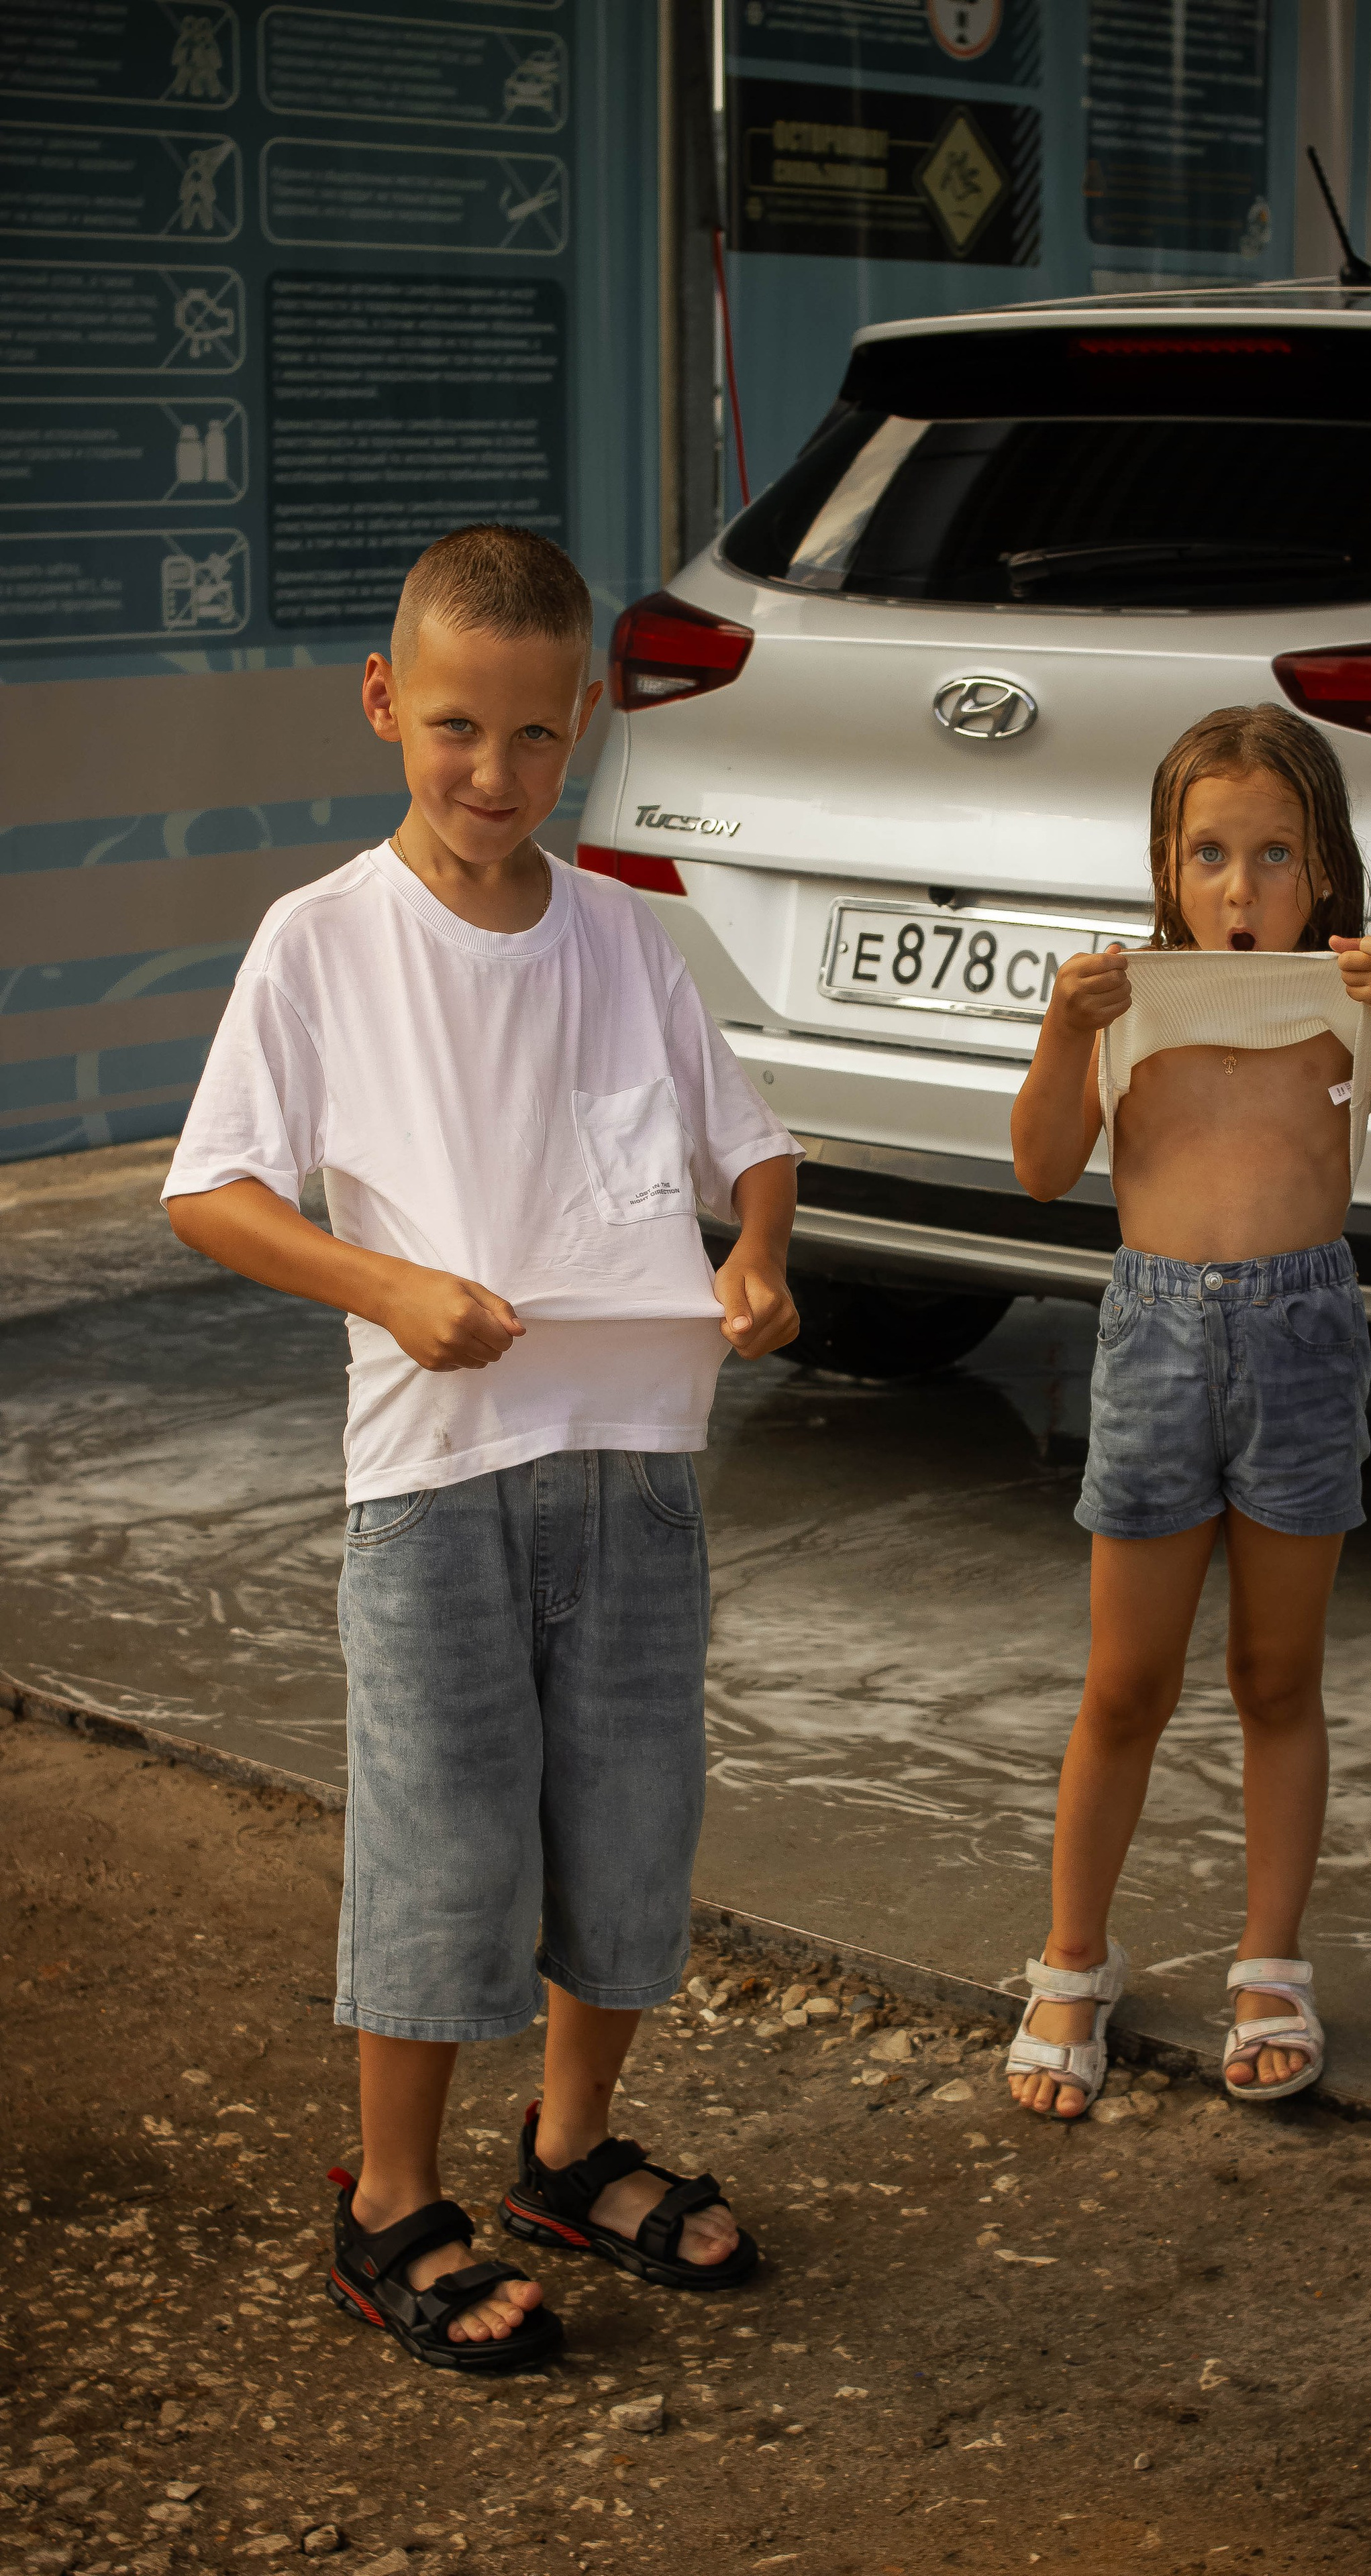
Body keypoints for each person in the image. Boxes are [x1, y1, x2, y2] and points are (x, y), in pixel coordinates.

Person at [163, 523, 803, 2369]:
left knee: (625, 1829)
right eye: (455, 729)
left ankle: (568, 2150)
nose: (495, 776)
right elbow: (211, 1192)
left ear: (585, 719)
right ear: (384, 704)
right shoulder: (324, 943)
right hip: (436, 1479)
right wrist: (385, 1288)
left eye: (535, 738)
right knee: (444, 1848)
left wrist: (756, 1253)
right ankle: (386, 2206)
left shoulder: (627, 937)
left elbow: (747, 1145)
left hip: (637, 1467)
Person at [1005, 704, 1371, 2120]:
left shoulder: (1353, 993)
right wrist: (1058, 1033)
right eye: (1207, 854)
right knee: (1124, 1687)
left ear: (1325, 866)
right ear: (1165, 866)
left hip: (1300, 1337)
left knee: (1275, 1681)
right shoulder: (1127, 997)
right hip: (1152, 1341)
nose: (1238, 889)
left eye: (1273, 854)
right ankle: (1071, 1959)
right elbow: (1042, 1169)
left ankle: (1270, 1962)